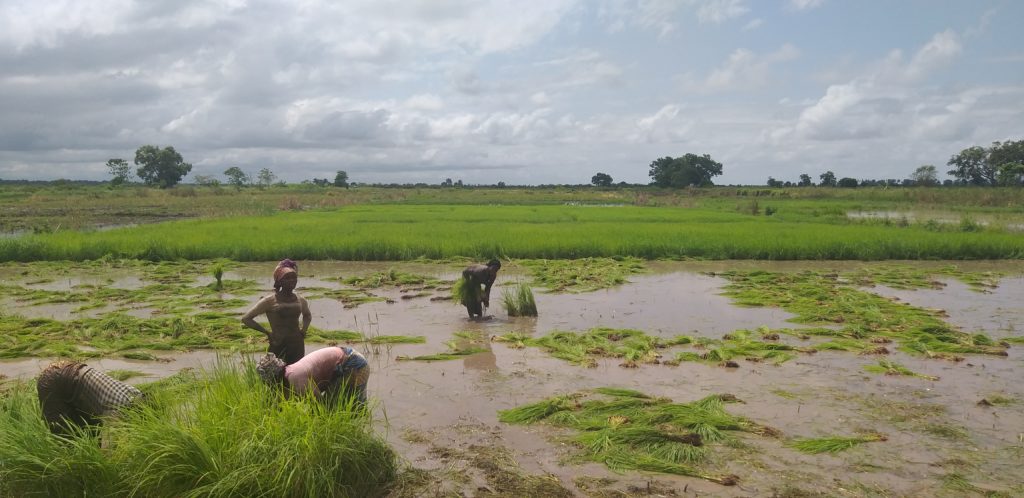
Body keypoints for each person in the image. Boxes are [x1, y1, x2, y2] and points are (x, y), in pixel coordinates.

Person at [36, 360, 144, 436]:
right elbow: (107, 451)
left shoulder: (135, 393)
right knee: (63, 432)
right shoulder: (116, 412)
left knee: (92, 431)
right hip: (52, 380)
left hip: (70, 369)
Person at [242, 259, 312, 365]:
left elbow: (307, 315)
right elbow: (246, 319)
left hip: (297, 345)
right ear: (279, 281)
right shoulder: (269, 300)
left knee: (295, 376)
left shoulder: (300, 299)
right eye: (287, 278)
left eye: (294, 277)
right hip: (278, 343)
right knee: (276, 376)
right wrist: (267, 333)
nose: (292, 280)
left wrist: (303, 330)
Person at [256, 346, 370, 406]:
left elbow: (318, 401)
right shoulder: (288, 375)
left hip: (352, 364)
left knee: (335, 406)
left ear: (274, 378)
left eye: (267, 382)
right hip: (347, 357)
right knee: (344, 404)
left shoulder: (294, 377)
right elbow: (284, 398)